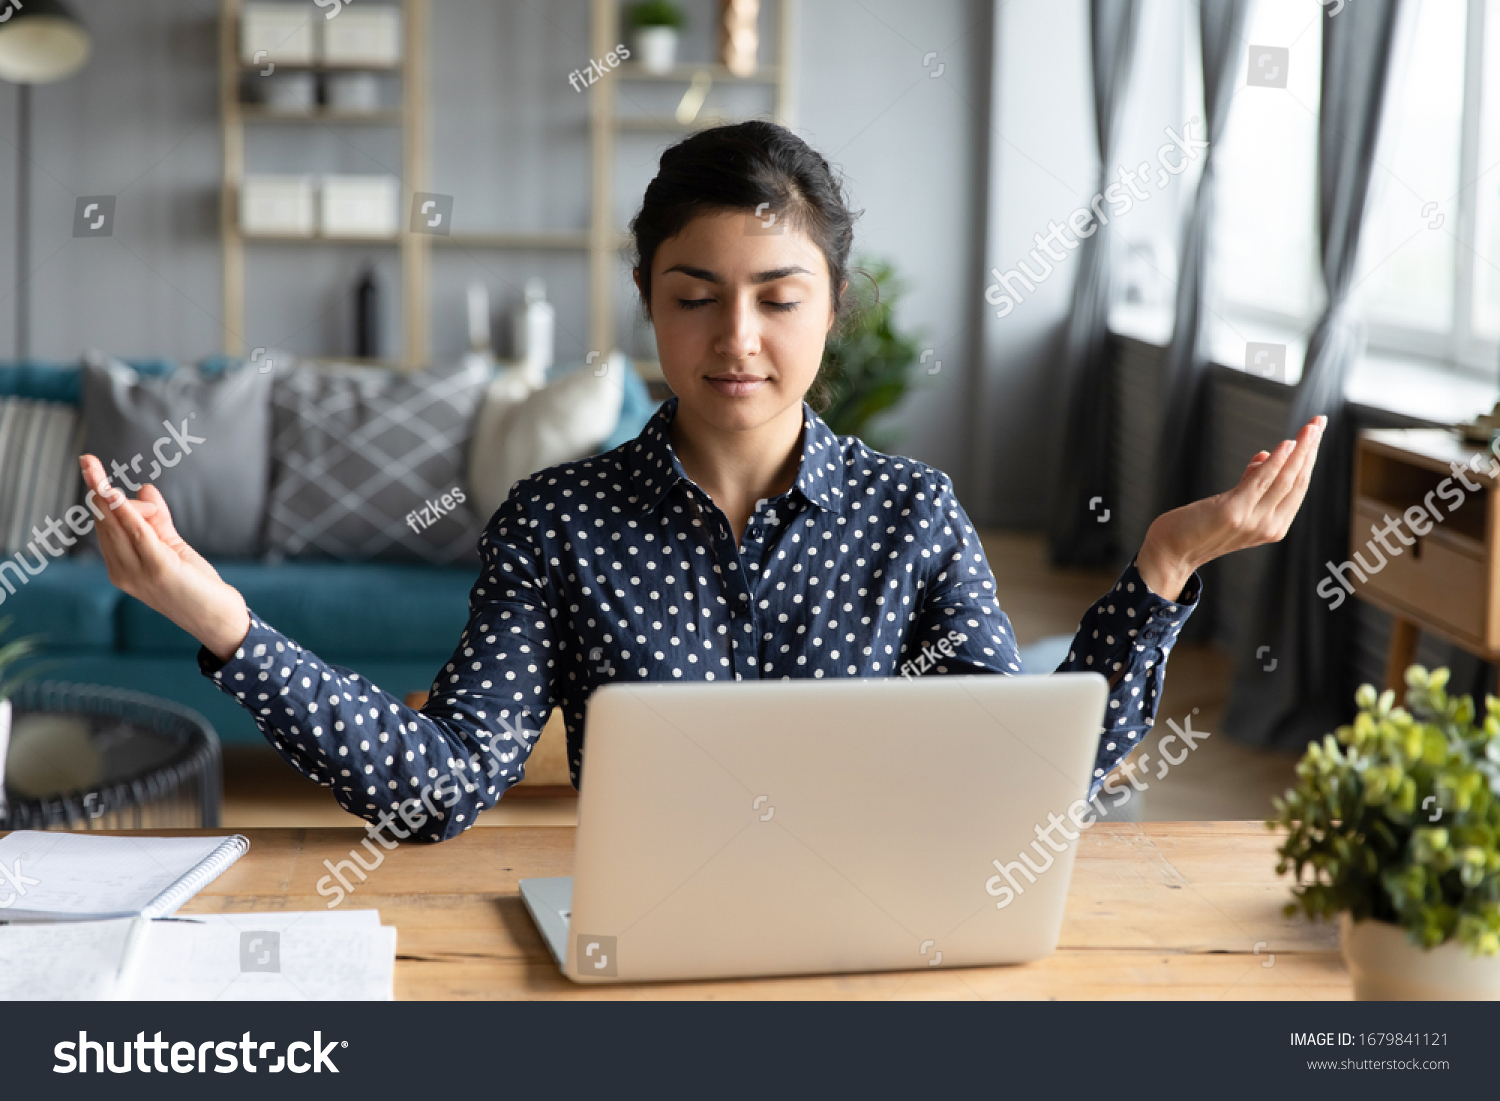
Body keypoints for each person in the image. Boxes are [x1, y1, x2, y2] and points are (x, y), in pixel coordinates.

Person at [80, 121, 1323, 843]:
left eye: (779, 299)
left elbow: (1019, 770)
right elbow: (441, 791)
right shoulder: (557, 524)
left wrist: (1163, 568)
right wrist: (224, 626)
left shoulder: (914, 515)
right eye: (696, 298)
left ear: (832, 310)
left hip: (878, 931)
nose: (737, 340)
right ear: (648, 308)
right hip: (641, 938)